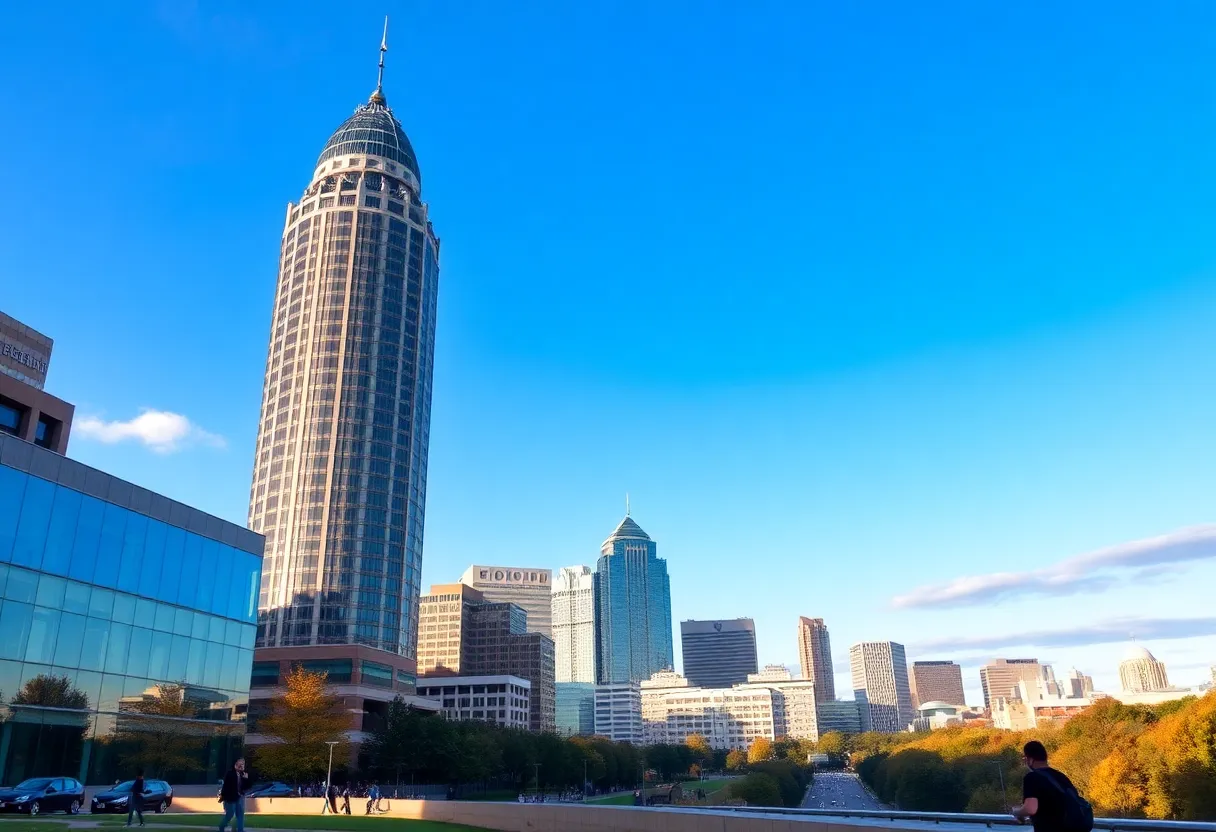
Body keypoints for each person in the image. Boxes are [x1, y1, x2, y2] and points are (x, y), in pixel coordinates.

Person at [1013, 741, 1080, 832]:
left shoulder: (1032, 777)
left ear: (1030, 760)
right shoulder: (1060, 776)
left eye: (1025, 758)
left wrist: (1016, 812)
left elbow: (1030, 809)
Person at [218, 758, 250, 832]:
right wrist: (223, 797)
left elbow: (247, 787)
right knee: (230, 814)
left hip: (240, 797)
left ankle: (240, 830)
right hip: (230, 798)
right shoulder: (230, 773)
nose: (242, 765)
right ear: (236, 764)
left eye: (243, 764)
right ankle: (221, 827)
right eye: (241, 763)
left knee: (240, 815)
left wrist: (246, 779)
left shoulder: (244, 774)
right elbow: (226, 786)